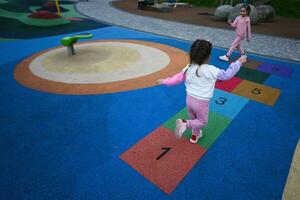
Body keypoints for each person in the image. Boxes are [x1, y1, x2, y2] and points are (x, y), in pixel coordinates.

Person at [158, 39, 246, 144]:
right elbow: (227, 75)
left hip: (189, 100)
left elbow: (176, 79)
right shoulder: (212, 70)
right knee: (202, 121)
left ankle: (195, 135)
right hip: (201, 102)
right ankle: (185, 124)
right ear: (208, 56)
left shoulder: (188, 67)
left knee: (194, 118)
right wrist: (238, 62)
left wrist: (164, 81)